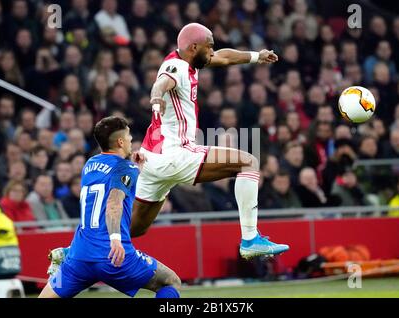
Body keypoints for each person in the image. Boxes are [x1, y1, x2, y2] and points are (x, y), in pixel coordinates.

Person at [132, 22, 289, 259]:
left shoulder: (188, 61)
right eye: (210, 47)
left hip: (152, 159)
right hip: (175, 154)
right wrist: (156, 98)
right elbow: (161, 83)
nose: (213, 52)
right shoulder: (176, 67)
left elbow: (224, 58)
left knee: (136, 228)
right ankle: (250, 239)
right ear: (194, 47)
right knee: (248, 163)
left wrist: (257, 56)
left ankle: (76, 250)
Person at [39, 116, 181, 298]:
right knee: (171, 282)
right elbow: (113, 203)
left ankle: (66, 251)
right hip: (112, 255)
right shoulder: (126, 168)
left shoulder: (89, 165)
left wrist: (135, 166)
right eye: (129, 136)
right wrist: (115, 239)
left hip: (79, 256)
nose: (131, 140)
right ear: (121, 141)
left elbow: (110, 179)